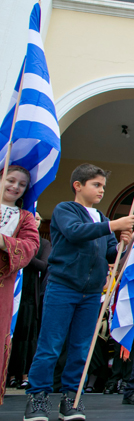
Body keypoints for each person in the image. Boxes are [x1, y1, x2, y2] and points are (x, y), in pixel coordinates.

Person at [24, 164, 134, 421]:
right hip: (63, 287)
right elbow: (75, 233)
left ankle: (71, 398)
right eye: (96, 185)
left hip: (91, 293)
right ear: (78, 185)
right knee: (50, 345)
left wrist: (124, 243)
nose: (101, 190)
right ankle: (37, 397)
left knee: (80, 349)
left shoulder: (102, 219)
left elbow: (110, 253)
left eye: (103, 187)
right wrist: (114, 226)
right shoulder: (66, 210)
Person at [0, 167, 41, 405]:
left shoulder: (24, 217)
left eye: (22, 184)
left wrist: (4, 242)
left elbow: (30, 246)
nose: (15, 187)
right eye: (11, 180)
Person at [8, 211, 51, 391]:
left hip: (29, 295)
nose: (35, 220)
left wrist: (25, 253)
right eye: (33, 217)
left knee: (27, 336)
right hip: (10, 292)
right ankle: (9, 374)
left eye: (39, 219)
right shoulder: (13, 239)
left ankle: (25, 374)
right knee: (11, 335)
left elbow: (43, 265)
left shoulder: (44, 243)